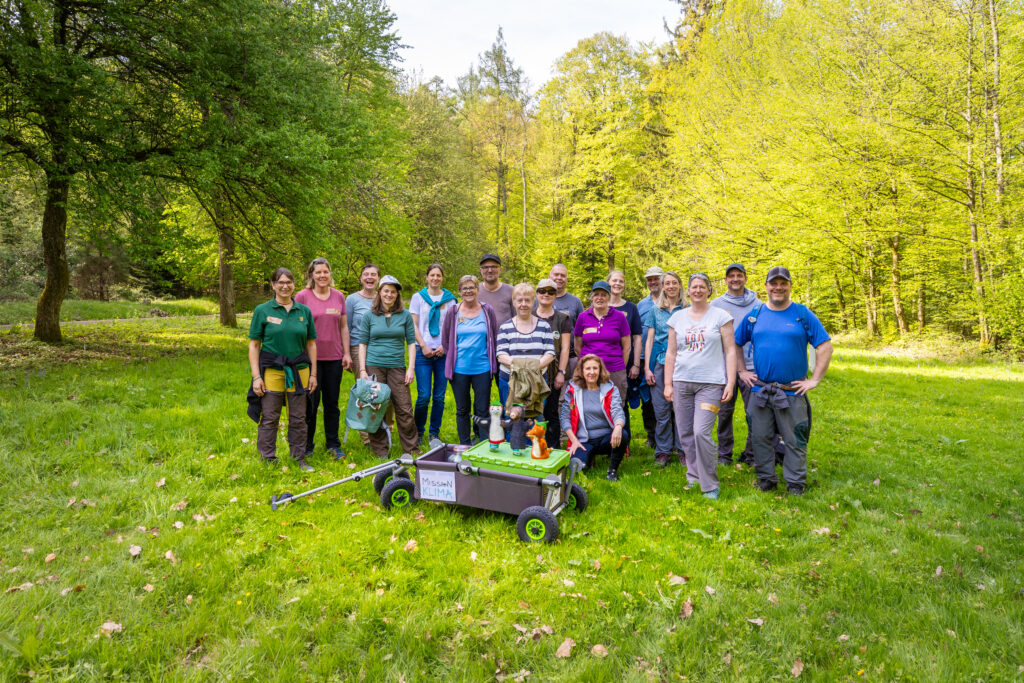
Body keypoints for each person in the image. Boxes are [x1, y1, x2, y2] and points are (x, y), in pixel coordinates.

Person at [735, 266, 833, 496]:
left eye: (783, 283)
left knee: (794, 439)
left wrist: (814, 380)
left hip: (792, 391)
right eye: (773, 283)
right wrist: (742, 371)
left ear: (789, 285)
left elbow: (825, 346)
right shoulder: (755, 315)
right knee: (759, 437)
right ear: (766, 286)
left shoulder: (802, 314)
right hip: (761, 390)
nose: (778, 287)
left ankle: (795, 483)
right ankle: (766, 480)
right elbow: (735, 342)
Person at [663, 273, 738, 500]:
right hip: (682, 382)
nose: (697, 290)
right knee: (685, 432)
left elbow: (730, 351)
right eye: (693, 287)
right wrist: (668, 383)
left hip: (711, 383)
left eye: (701, 287)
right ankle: (694, 475)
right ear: (688, 290)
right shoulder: (677, 319)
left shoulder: (721, 316)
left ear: (709, 290)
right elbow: (671, 353)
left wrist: (731, 382)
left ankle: (710, 484)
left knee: (701, 432)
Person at [248, 267, 318, 472]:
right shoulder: (263, 310)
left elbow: (311, 344)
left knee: (298, 417)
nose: (285, 286)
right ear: (273, 285)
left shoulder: (303, 311)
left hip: (300, 370)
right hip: (272, 370)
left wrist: (313, 373)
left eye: (289, 282)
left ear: (294, 284)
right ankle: (268, 458)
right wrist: (256, 377)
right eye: (280, 282)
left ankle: (299, 458)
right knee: (270, 416)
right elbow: (254, 345)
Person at [295, 257, 351, 461]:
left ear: (330, 273)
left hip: (334, 358)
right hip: (309, 360)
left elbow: (344, 326)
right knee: (309, 403)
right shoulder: (302, 297)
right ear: (311, 275)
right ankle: (307, 445)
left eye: (325, 272)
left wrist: (346, 353)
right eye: (318, 272)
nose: (322, 275)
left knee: (331, 404)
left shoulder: (339, 297)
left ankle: (333, 445)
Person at [358, 275, 420, 456]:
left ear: (397, 294)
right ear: (380, 292)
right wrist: (362, 370)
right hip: (374, 365)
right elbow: (362, 343)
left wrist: (411, 368)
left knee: (404, 408)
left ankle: (411, 448)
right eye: (386, 290)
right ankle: (380, 451)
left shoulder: (405, 315)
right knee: (375, 407)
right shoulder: (369, 315)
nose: (389, 294)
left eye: (393, 291)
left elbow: (411, 343)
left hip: (397, 366)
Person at [710, 263, 761, 465]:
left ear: (745, 278)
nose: (735, 279)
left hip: (752, 367)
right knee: (724, 414)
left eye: (739, 275)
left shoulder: (758, 304)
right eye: (731, 276)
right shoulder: (715, 305)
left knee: (755, 414)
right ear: (726, 280)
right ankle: (724, 455)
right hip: (723, 369)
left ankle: (751, 454)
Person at [442, 275, 499, 445]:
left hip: (482, 368)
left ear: (477, 289)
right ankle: (465, 444)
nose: (468, 291)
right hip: (459, 369)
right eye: (464, 288)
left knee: (482, 409)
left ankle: (482, 443)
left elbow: (494, 337)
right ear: (459, 291)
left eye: (471, 287)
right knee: (462, 409)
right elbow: (445, 340)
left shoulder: (487, 310)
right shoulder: (453, 311)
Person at [561, 354, 629, 481]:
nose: (591, 372)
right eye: (588, 369)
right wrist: (574, 440)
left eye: (595, 368)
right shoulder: (573, 390)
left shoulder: (610, 389)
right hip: (584, 440)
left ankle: (612, 471)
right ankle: (589, 457)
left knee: (623, 434)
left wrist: (618, 427)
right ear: (582, 371)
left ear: (600, 370)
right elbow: (565, 417)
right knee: (577, 467)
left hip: (606, 439)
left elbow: (617, 411)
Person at [409, 264, 457, 444]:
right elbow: (412, 325)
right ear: (427, 277)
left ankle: (434, 433)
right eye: (432, 275)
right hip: (423, 353)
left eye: (438, 275)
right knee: (423, 396)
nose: (435, 278)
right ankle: (418, 431)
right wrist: (423, 346)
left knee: (439, 396)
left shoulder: (450, 300)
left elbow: (453, 327)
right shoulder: (417, 298)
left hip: (443, 353)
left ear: (442, 278)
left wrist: (445, 346)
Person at [346, 263, 392, 444]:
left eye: (373, 274)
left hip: (382, 348)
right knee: (367, 392)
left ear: (379, 278)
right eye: (366, 274)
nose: (370, 277)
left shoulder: (385, 298)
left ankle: (387, 429)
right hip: (359, 348)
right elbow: (346, 328)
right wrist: (347, 353)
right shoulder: (352, 300)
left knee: (387, 392)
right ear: (361, 278)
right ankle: (367, 437)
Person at [643, 271, 684, 468]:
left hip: (683, 364)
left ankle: (683, 449)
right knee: (661, 410)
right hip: (659, 362)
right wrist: (647, 368)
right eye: (667, 283)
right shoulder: (655, 310)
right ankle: (663, 451)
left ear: (679, 285)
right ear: (662, 286)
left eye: (674, 283)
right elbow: (649, 340)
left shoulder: (687, 310)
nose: (670, 286)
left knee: (682, 409)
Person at [496, 283, 556, 416]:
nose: (523, 304)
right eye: (520, 300)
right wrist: (525, 368)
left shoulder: (544, 326)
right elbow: (501, 355)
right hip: (510, 381)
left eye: (527, 300)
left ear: (533, 302)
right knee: (512, 420)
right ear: (514, 302)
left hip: (538, 381)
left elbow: (550, 353)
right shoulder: (505, 327)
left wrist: (530, 369)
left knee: (536, 422)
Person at [574, 280, 631, 406]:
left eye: (603, 295)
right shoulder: (583, 317)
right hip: (589, 372)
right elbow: (577, 346)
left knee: (615, 406)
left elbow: (627, 347)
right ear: (592, 297)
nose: (599, 298)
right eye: (596, 294)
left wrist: (620, 366)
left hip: (614, 370)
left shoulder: (619, 317)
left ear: (609, 297)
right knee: (590, 406)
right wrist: (586, 364)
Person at [533, 278, 571, 448]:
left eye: (550, 292)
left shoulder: (562, 318)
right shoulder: (529, 315)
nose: (546, 295)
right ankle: (534, 447)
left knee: (552, 412)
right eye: (542, 291)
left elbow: (564, 348)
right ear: (537, 294)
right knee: (533, 412)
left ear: (556, 295)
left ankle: (553, 447)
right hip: (532, 374)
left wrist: (561, 372)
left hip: (553, 372)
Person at [608, 270, 643, 438]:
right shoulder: (599, 304)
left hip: (624, 363)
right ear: (608, 282)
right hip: (601, 363)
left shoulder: (631, 308)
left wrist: (636, 364)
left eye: (621, 281)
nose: (617, 283)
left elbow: (637, 337)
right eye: (614, 280)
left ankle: (623, 440)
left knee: (621, 401)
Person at [636, 266, 664, 447]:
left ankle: (668, 435)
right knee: (646, 398)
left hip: (663, 357)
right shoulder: (641, 305)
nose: (652, 282)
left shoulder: (672, 302)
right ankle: (651, 435)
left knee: (665, 396)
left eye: (656, 278)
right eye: (649, 279)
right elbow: (637, 333)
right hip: (644, 357)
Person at [477, 253, 514, 324]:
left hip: (506, 334)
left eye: (494, 267)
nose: (490, 270)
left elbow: (518, 318)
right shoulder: (475, 291)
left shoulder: (511, 291)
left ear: (500, 269)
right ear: (481, 270)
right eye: (485, 267)